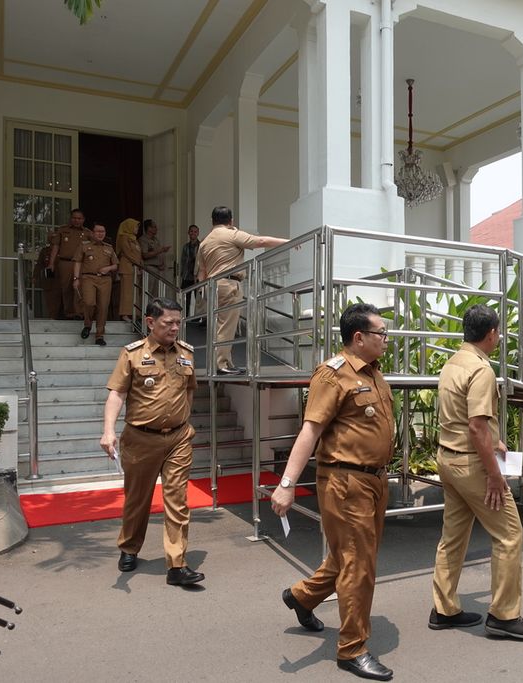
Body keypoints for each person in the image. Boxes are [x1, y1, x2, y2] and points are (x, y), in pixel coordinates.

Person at [271, 303, 395, 681]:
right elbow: (310, 431)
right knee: (358, 565)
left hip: (374, 480)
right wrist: (287, 485)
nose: (386, 340)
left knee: (351, 556)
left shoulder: (374, 373)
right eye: (381, 334)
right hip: (346, 482)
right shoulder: (332, 375)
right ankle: (352, 649)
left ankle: (302, 596)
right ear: (359, 338)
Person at [430, 304, 523, 641]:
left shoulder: (453, 363)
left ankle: (444, 608)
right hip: (472, 466)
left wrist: (496, 440)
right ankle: (504, 616)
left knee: (452, 538)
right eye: (499, 331)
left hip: (448, 460)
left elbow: (466, 419)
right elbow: (477, 425)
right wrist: (495, 475)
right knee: (509, 534)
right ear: (491, 333)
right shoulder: (481, 371)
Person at [99, 297, 205, 586]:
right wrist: (108, 430)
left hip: (178, 438)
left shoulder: (186, 353)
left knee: (177, 500)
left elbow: (189, 390)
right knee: (138, 499)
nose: (174, 328)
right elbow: (117, 394)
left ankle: (176, 565)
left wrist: (183, 421)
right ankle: (130, 547)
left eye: (177, 323)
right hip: (140, 439)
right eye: (167, 322)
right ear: (150, 322)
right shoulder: (132, 354)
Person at [196, 206, 289, 375]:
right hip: (229, 284)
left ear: (212, 221)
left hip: (212, 286)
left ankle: (225, 362)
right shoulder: (232, 234)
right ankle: (221, 364)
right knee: (226, 326)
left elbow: (201, 272)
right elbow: (260, 242)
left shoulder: (204, 242)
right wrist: (286, 242)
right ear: (231, 220)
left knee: (219, 325)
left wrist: (203, 293)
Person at [74, 222, 119, 346]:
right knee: (89, 302)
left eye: (102, 232)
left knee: (103, 307)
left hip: (105, 280)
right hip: (88, 277)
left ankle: (99, 335)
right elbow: (77, 261)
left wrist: (108, 268)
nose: (100, 234)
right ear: (92, 233)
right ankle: (87, 324)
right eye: (98, 231)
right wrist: (76, 278)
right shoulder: (84, 246)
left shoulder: (109, 247)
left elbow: (115, 264)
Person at [47, 208, 92, 320]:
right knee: (66, 287)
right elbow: (56, 247)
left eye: (79, 218)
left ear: (83, 220)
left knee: (79, 287)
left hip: (81, 264)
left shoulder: (88, 233)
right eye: (74, 218)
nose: (76, 220)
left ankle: (80, 312)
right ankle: (69, 312)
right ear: (70, 218)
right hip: (65, 262)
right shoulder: (63, 230)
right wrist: (51, 263)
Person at [116, 218, 142, 323]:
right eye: (136, 226)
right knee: (126, 292)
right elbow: (128, 253)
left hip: (135, 268)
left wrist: (140, 265)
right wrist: (138, 263)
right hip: (127, 267)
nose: (137, 229)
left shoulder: (134, 238)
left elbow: (138, 254)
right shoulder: (124, 238)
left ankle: (135, 314)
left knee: (134, 292)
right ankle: (125, 314)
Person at [179, 224, 201, 317]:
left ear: (198, 233)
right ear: (188, 232)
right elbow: (183, 261)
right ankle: (184, 318)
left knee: (199, 300)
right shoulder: (185, 247)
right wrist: (182, 275)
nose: (193, 233)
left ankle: (199, 319)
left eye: (195, 231)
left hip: (197, 277)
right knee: (185, 300)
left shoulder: (201, 246)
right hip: (186, 276)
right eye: (191, 231)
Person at [34, 243, 57, 319]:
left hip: (61, 275)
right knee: (50, 296)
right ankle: (52, 316)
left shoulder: (63, 250)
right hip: (49, 273)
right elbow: (39, 264)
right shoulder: (45, 251)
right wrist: (35, 276)